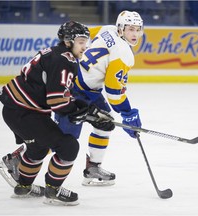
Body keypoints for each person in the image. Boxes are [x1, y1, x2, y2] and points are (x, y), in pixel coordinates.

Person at [0, 20, 114, 206]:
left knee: (38, 148)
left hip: (18, 109)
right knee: (68, 147)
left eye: (86, 41)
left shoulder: (56, 53)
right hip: (24, 112)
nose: (86, 46)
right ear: (68, 41)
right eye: (81, 41)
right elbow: (58, 103)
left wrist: (87, 110)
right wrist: (89, 115)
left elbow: (61, 96)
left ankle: (23, 187)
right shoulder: (64, 60)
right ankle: (53, 190)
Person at [56, 10, 144, 186]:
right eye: (130, 29)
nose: (135, 34)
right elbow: (113, 91)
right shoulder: (124, 54)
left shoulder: (107, 29)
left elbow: (84, 38)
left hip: (86, 88)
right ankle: (18, 159)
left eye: (138, 29)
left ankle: (93, 168)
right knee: (61, 139)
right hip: (75, 91)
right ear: (121, 28)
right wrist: (128, 114)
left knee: (105, 122)